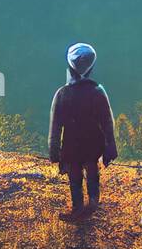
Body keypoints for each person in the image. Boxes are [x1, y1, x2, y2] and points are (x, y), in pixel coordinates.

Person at [48, 42, 118, 221]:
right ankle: (93, 202)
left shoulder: (62, 94)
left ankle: (78, 208)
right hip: (94, 143)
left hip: (71, 146)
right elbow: (107, 121)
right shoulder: (97, 91)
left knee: (75, 177)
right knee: (92, 170)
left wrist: (54, 150)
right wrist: (111, 145)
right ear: (91, 67)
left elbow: (55, 127)